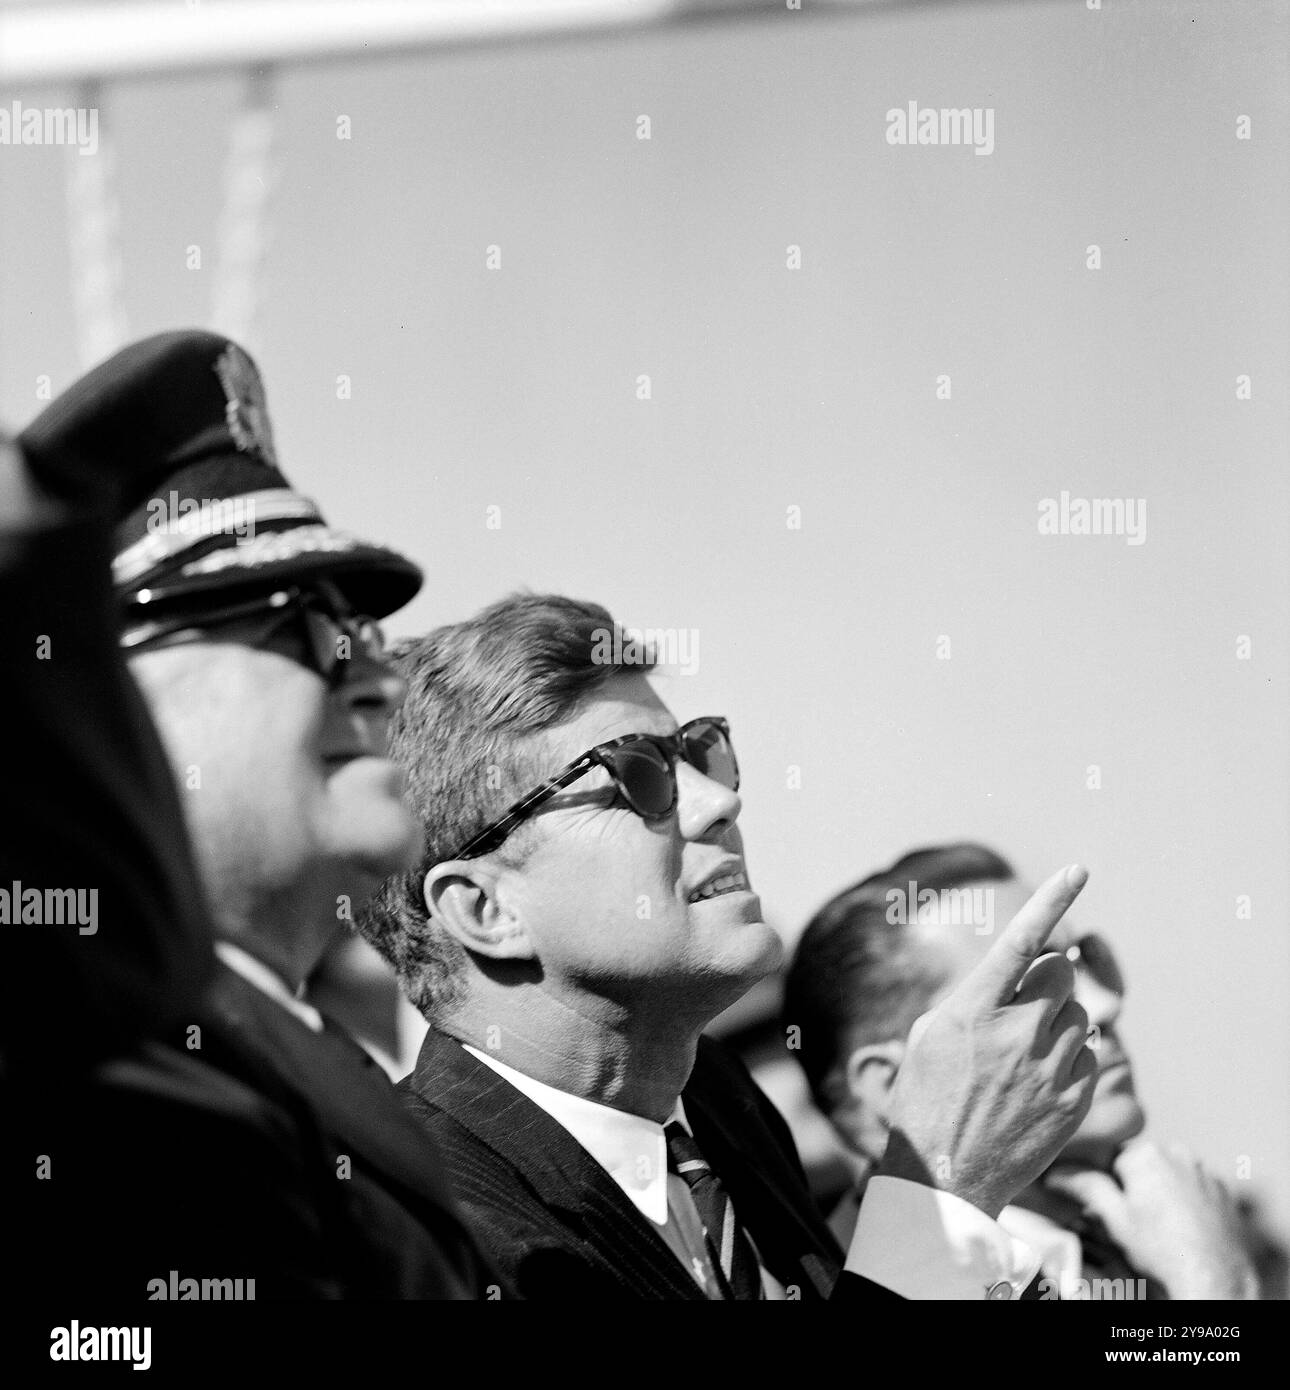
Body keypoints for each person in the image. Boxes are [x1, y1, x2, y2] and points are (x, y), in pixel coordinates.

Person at [359, 593, 1099, 1299]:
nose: (720, 802)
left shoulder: (713, 1099)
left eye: (699, 753)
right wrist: (940, 1196)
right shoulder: (421, 1228)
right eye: (636, 776)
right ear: (485, 908)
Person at [4, 330, 487, 1299]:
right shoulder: (116, 1076)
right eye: (310, 625)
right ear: (120, 692)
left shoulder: (284, 1055)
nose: (379, 680)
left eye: (369, 633)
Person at [782, 841, 1264, 1299]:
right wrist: (1217, 1287)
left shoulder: (1156, 1238)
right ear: (892, 1085)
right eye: (1036, 987)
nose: (1103, 1004)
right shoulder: (839, 1284)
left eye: (1087, 959)